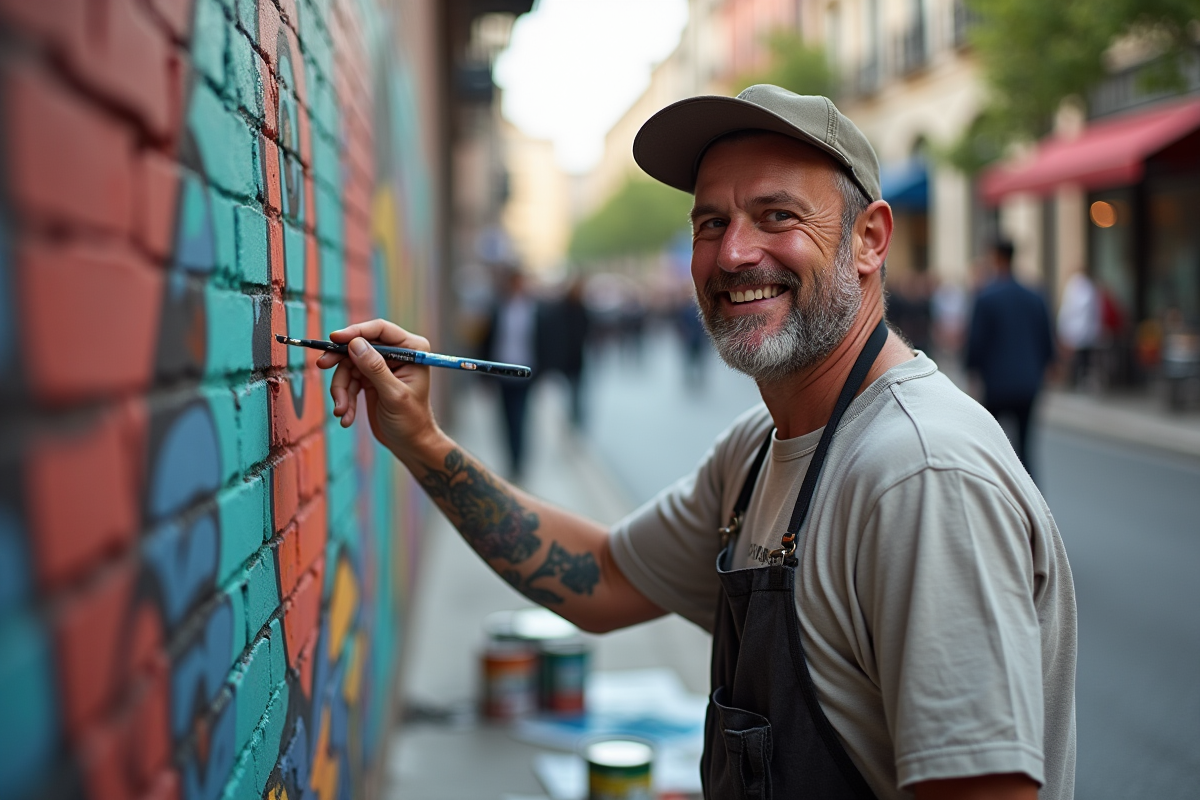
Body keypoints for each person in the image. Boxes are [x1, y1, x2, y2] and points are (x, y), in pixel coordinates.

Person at [317, 86, 1076, 800]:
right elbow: (604, 577)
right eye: (711, 222)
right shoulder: (755, 452)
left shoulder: (918, 475)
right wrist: (418, 438)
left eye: (777, 216)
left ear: (869, 239)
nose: (735, 253)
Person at [965, 240, 1056, 474]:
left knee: (993, 447)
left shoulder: (986, 296)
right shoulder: (1034, 295)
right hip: (1028, 381)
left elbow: (976, 342)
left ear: (996, 257)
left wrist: (972, 372)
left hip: (997, 383)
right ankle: (1031, 504)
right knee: (1026, 448)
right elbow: (1046, 338)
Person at [479, 266, 540, 479]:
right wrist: (483, 375)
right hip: (502, 373)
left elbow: (543, 341)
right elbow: (485, 340)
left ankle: (519, 462)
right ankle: (510, 459)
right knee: (505, 419)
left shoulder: (533, 308)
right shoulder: (497, 307)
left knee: (521, 418)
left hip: (525, 373)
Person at [537, 276, 590, 429]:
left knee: (577, 392)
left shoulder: (581, 309)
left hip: (577, 358)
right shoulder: (562, 309)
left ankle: (576, 419)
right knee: (566, 391)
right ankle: (571, 418)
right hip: (565, 358)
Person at [1056, 266, 1100, 389]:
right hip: (1082, 332)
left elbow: (1068, 310)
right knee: (1082, 359)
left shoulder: (1076, 286)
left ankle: (1077, 381)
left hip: (1078, 331)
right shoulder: (1085, 287)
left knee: (1079, 359)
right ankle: (1078, 381)